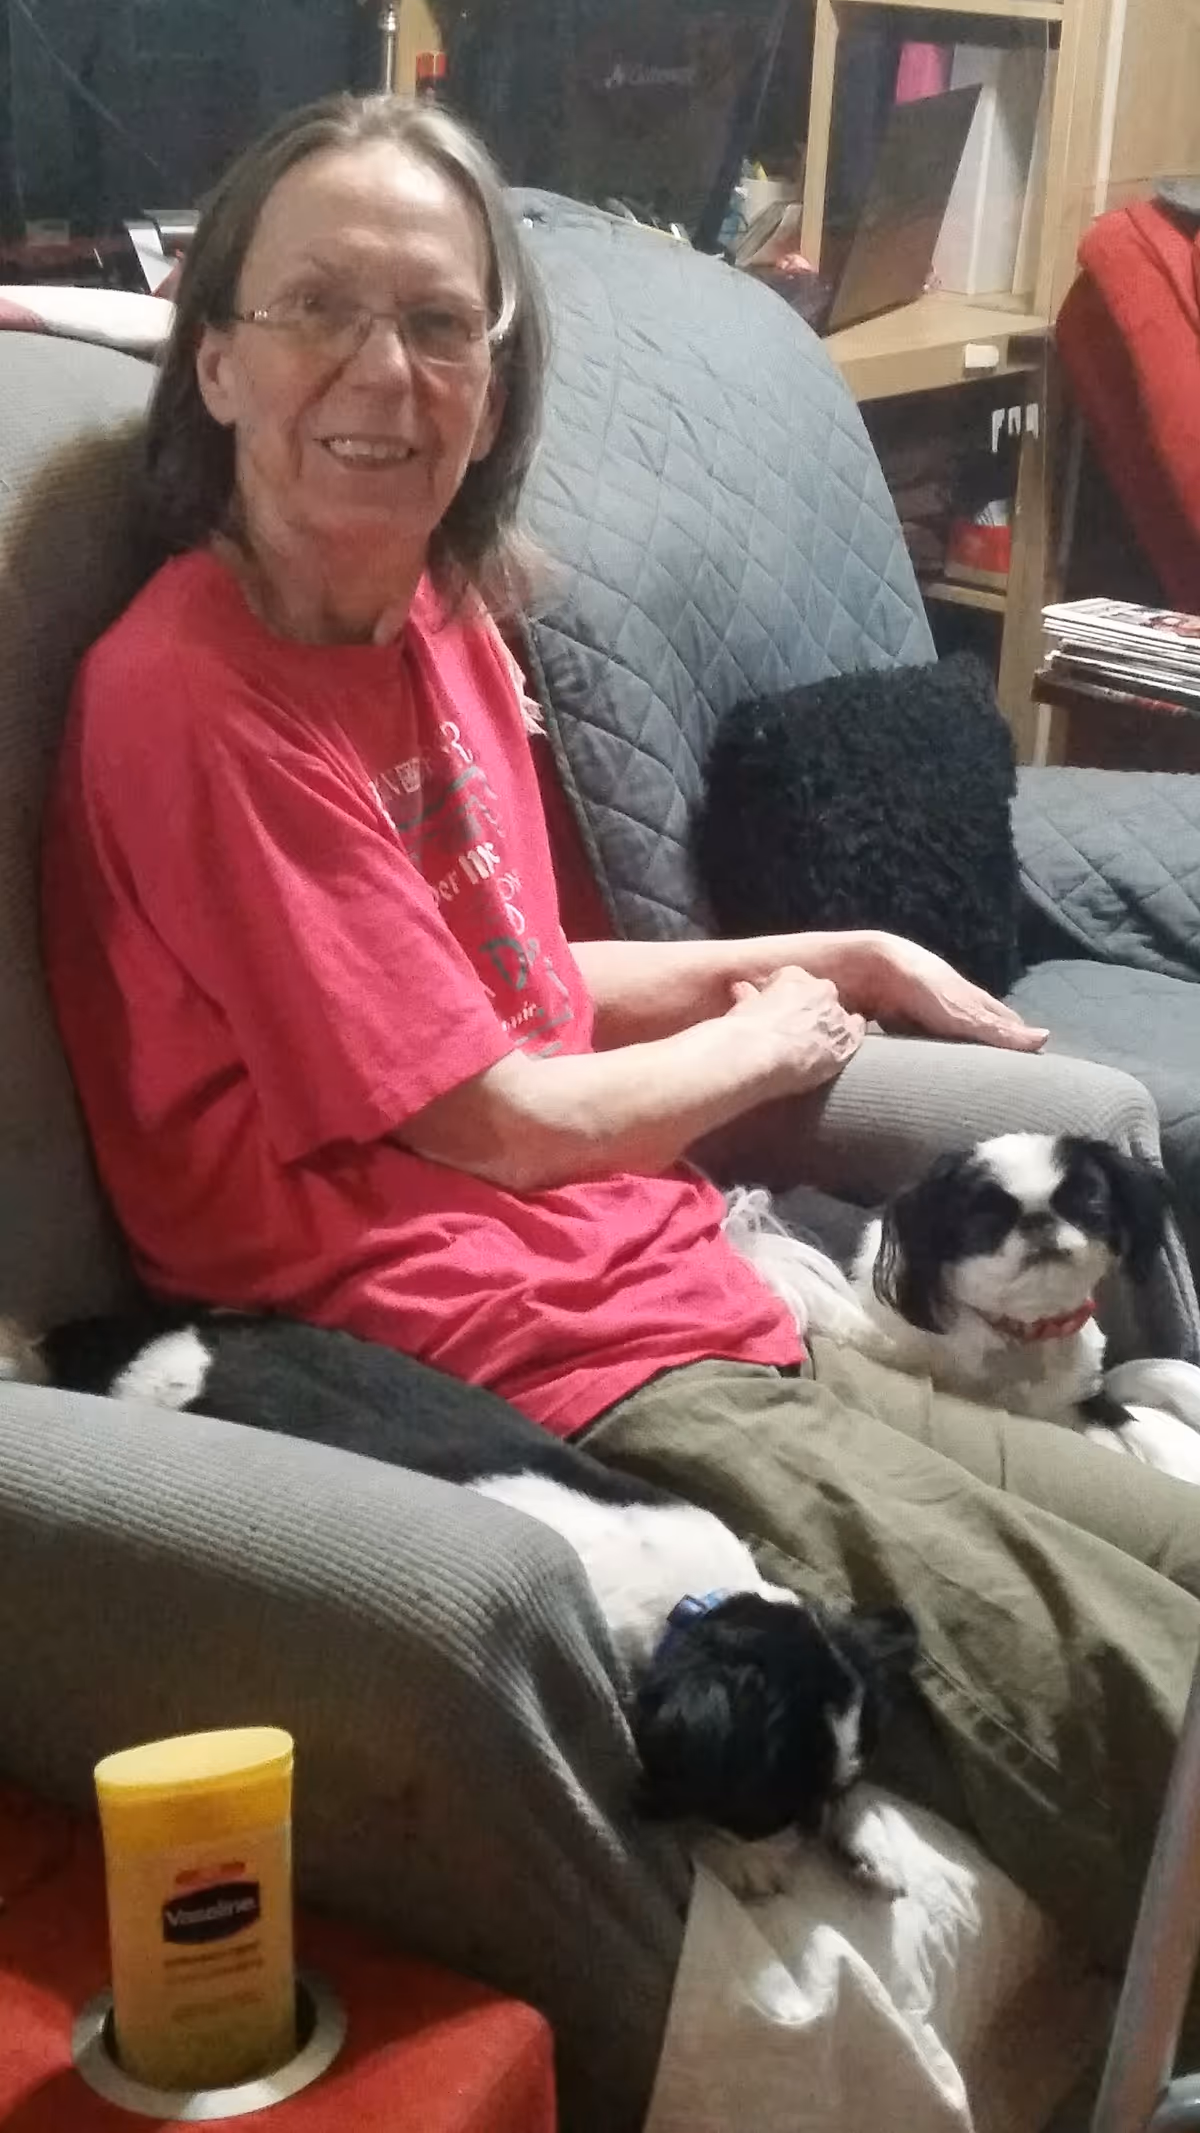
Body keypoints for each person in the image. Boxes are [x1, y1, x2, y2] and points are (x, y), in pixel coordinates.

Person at [38, 90, 1200, 2059]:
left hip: (691, 1283)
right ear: (212, 356)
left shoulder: (436, 612)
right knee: (1135, 1689)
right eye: (320, 310)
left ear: (496, 378)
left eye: (438, 323)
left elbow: (494, 983)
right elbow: (485, 1113)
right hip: (512, 1354)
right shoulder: (192, 692)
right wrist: (773, 1041)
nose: (383, 373)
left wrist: (794, 951)